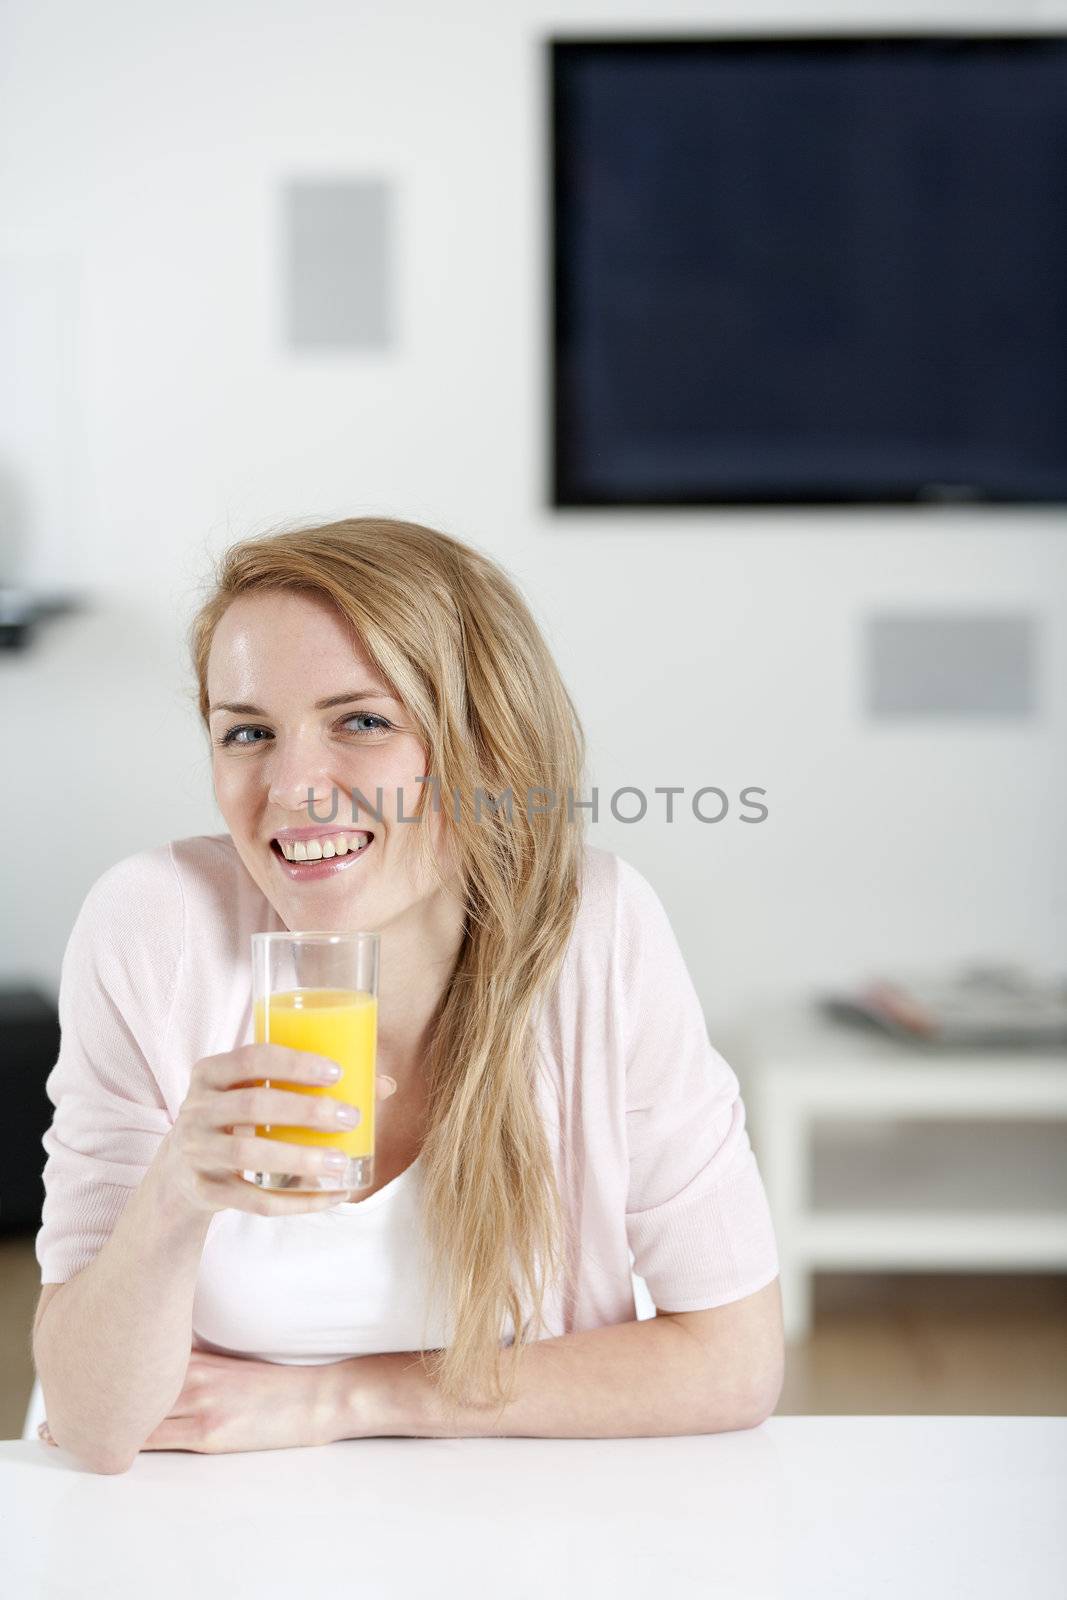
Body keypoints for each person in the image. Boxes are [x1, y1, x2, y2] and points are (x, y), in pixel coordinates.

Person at [32, 516, 783, 1473]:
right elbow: (95, 1426)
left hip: (510, 1522)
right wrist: (175, 1195)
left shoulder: (595, 931)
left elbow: (731, 1361)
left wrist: (341, 1398)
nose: (295, 789)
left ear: (487, 744)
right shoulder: (157, 925)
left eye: (362, 721)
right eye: (248, 733)